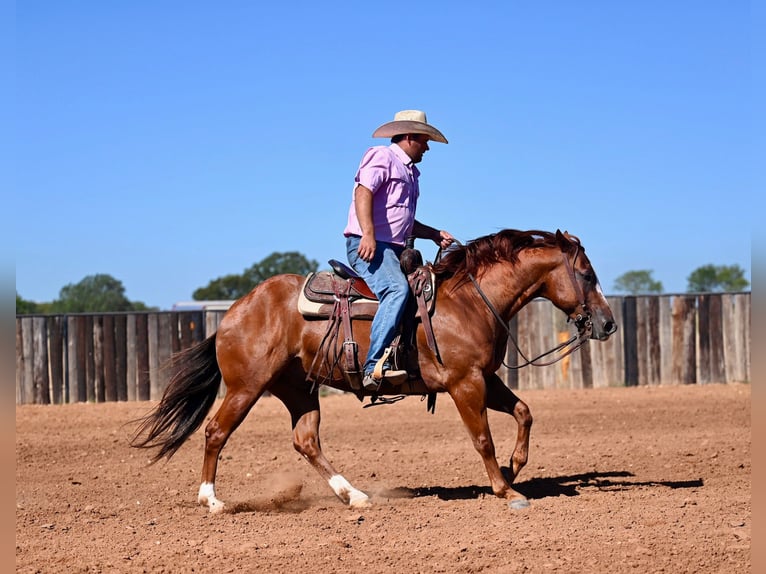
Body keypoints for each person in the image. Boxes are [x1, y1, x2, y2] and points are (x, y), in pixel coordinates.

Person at [343, 110, 455, 391]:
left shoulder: (410, 172)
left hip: (392, 248)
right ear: (408, 137)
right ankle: (372, 367)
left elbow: (401, 220)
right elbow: (363, 192)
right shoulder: (382, 157)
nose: (428, 147)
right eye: (424, 140)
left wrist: (432, 234)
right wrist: (368, 234)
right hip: (368, 246)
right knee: (397, 290)